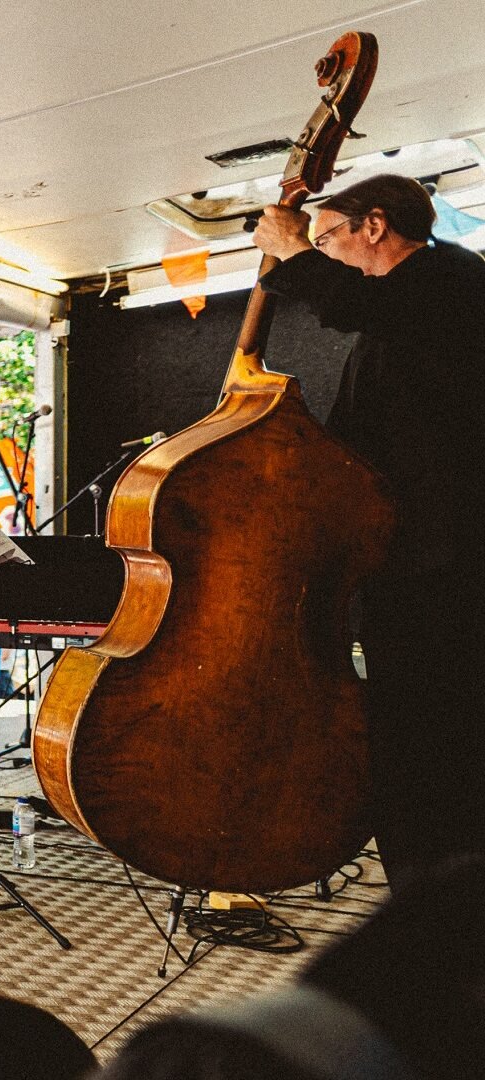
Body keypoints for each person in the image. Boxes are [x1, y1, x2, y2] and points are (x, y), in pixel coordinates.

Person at [253, 173, 485, 889]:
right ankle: (426, 895)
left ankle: (442, 901)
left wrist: (293, 252)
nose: (325, 254)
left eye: (330, 238)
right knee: (411, 742)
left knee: (434, 742)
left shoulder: (451, 279)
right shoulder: (401, 317)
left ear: (375, 227)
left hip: (446, 567)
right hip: (411, 562)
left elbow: (352, 302)